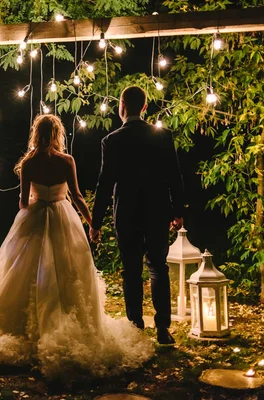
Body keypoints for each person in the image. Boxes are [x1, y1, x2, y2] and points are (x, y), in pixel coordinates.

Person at [0, 114, 153, 381]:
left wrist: (34, 205)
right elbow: (77, 196)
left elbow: (22, 201)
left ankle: (23, 329)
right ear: (58, 134)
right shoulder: (67, 161)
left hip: (34, 217)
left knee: (24, 272)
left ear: (36, 133)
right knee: (68, 271)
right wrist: (93, 223)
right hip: (62, 216)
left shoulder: (29, 164)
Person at [90, 86, 185, 345]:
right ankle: (163, 328)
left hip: (127, 214)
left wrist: (95, 223)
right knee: (158, 268)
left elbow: (104, 185)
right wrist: (178, 212)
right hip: (157, 211)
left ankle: (135, 326)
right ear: (145, 106)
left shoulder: (111, 141)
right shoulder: (162, 136)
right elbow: (174, 177)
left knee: (131, 271)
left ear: (122, 105)